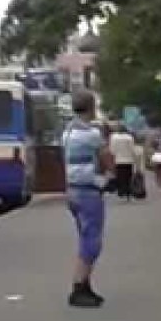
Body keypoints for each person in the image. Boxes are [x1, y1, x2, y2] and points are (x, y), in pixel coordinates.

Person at [62, 90, 113, 308]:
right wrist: (110, 176)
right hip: (88, 191)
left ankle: (85, 284)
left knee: (84, 237)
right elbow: (106, 157)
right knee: (92, 241)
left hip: (72, 190)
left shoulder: (67, 133)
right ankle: (79, 287)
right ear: (92, 108)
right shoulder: (92, 134)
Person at [109, 122, 136, 200]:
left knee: (120, 177)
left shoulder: (113, 137)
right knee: (128, 176)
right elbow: (132, 149)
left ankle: (121, 191)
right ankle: (128, 192)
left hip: (118, 160)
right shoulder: (129, 137)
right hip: (128, 160)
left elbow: (112, 150)